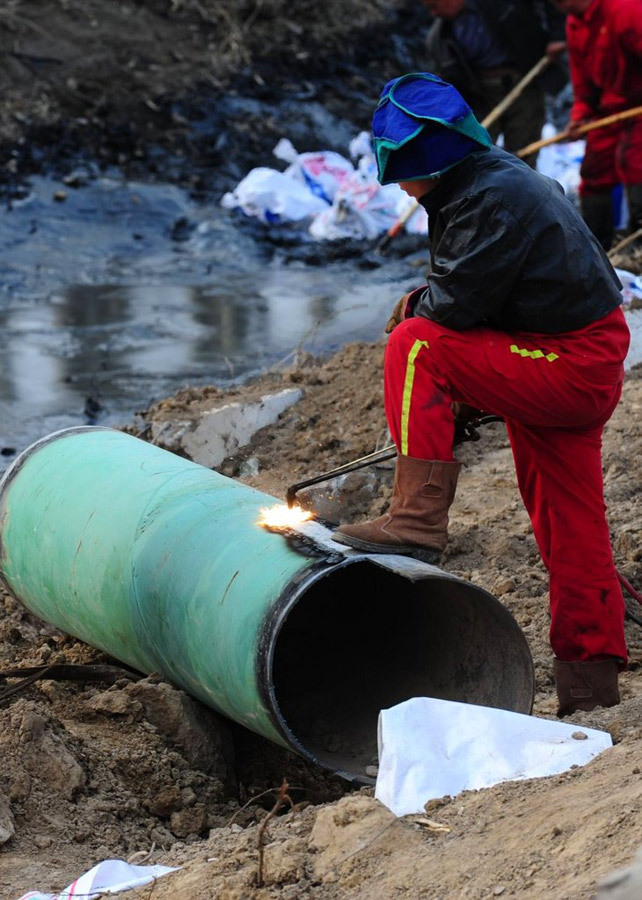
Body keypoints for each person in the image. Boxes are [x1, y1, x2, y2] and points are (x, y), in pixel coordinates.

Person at [333, 72, 631, 717]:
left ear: (429, 161)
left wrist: (416, 306)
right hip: (579, 352)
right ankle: (590, 684)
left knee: (414, 344)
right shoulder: (489, 177)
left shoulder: (492, 196)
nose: (402, 190)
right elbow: (487, 296)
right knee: (569, 527)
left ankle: (415, 521)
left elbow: (453, 311)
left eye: (403, 175)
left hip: (567, 361)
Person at [422, 0, 568, 165]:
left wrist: (558, 35)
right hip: (479, 96)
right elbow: (446, 82)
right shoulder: (439, 38)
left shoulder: (502, 4)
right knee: (478, 157)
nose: (433, 14)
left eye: (434, 6)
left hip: (523, 84)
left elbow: (554, 5)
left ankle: (522, 188)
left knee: (524, 153)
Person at [554, 0, 642, 250]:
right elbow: (583, 84)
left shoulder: (626, 10)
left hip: (638, 107)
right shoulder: (574, 22)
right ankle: (598, 250)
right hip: (610, 109)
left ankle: (638, 247)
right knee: (594, 172)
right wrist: (580, 114)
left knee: (636, 164)